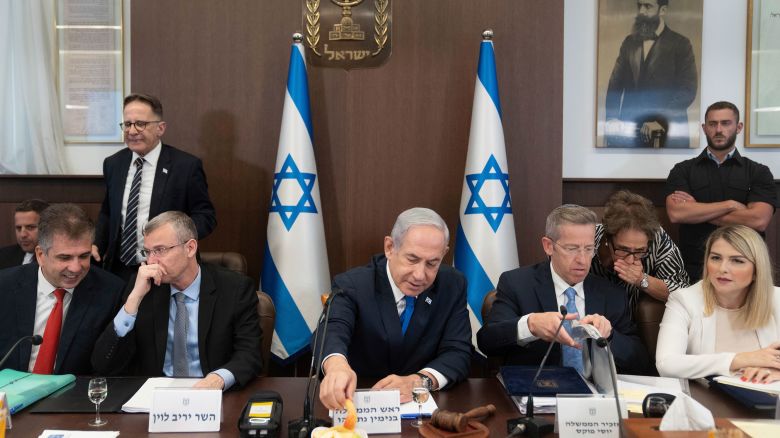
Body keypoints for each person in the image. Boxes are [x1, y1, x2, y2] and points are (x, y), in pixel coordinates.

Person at [317, 207, 472, 410]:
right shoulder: (353, 284)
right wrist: (336, 365)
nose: (419, 275)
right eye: (412, 259)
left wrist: (420, 381)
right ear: (390, 247)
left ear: (443, 254)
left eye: (432, 263)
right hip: (359, 402)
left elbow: (458, 352)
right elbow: (333, 328)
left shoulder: (452, 284)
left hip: (422, 409)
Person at [91, 211, 262, 389]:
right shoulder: (142, 287)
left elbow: (250, 354)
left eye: (160, 250)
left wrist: (219, 379)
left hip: (212, 394)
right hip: (155, 399)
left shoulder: (234, 289)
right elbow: (103, 364)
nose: (151, 261)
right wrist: (133, 300)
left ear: (190, 248)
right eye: (147, 252)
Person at [477, 204, 649, 375]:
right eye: (572, 248)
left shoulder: (611, 293)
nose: (582, 259)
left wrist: (610, 336)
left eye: (588, 249)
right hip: (536, 392)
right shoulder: (517, 284)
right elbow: (487, 341)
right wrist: (530, 325)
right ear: (548, 246)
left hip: (595, 396)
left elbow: (640, 363)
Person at [93, 93, 216, 280]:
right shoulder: (113, 164)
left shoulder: (185, 166)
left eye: (140, 124)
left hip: (166, 270)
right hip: (118, 271)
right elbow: (108, 212)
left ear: (160, 128)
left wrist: (175, 241)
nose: (132, 131)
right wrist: (97, 244)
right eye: (127, 124)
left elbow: (206, 217)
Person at [0, 204, 124, 375]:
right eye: (65, 257)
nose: (75, 268)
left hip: (74, 397)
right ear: (41, 255)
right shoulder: (5, 286)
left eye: (84, 256)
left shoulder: (110, 291)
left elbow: (109, 366)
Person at [666, 101, 778, 282]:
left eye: (726, 123)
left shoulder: (759, 172)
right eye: (712, 124)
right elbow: (677, 213)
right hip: (695, 267)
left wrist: (696, 211)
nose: (719, 129)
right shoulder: (682, 170)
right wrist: (731, 205)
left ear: (738, 127)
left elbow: (758, 220)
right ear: (704, 128)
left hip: (746, 265)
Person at [656, 225, 780, 383]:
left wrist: (776, 373)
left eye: (737, 261)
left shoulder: (776, 299)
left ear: (756, 270)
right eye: (716, 258)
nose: (722, 268)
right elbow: (666, 364)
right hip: (710, 399)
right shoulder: (684, 300)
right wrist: (740, 359)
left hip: (768, 399)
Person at [604, 0, 697, 148]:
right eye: (639, 5)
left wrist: (659, 119)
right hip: (629, 135)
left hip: (668, 134)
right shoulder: (629, 43)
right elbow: (615, 84)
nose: (641, 11)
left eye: (648, 6)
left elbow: (687, 90)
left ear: (663, 10)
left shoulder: (681, 44)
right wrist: (612, 118)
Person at [591, 190, 689, 315]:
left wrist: (642, 280)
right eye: (623, 249)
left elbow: (684, 293)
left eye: (639, 251)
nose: (630, 260)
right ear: (608, 239)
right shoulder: (589, 240)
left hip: (633, 326)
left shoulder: (657, 239)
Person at [0, 199, 49, 269]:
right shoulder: (3, 256)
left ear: (48, 227)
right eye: (19, 228)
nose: (22, 235)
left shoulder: (56, 259)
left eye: (30, 227)